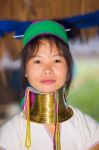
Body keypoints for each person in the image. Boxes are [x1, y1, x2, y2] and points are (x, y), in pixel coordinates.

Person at [0, 20, 99, 150]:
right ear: (25, 70)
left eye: (56, 60)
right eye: (37, 61)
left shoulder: (89, 130)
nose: (47, 69)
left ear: (68, 68)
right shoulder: (10, 134)